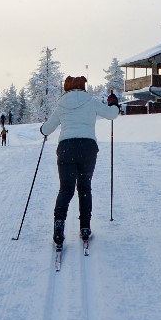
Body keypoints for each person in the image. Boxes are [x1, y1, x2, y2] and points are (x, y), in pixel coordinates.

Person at [39, 76, 122, 248]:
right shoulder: (90, 101)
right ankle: (85, 227)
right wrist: (113, 101)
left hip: (66, 149)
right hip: (87, 148)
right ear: (83, 87)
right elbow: (112, 114)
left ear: (67, 88)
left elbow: (47, 129)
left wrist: (42, 129)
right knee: (84, 188)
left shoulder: (61, 105)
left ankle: (59, 225)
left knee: (65, 189)